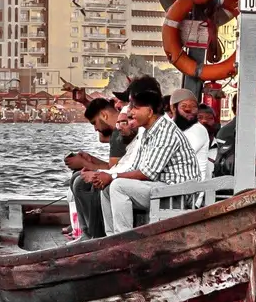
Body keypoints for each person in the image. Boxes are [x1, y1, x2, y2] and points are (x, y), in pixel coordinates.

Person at [84, 82, 201, 236]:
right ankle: (111, 239)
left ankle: (123, 240)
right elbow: (135, 165)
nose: (130, 112)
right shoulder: (146, 131)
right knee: (106, 188)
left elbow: (147, 173)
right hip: (162, 188)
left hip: (178, 194)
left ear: (150, 111)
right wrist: (101, 175)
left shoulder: (166, 131)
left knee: (118, 186)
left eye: (136, 108)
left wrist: (111, 176)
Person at [64, 97, 122, 240]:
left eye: (94, 123)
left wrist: (86, 165)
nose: (95, 129)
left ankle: (95, 235)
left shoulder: (119, 133)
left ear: (104, 116)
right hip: (119, 172)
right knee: (77, 177)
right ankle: (85, 232)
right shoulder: (115, 133)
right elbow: (114, 166)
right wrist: (90, 161)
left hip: (121, 177)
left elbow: (115, 169)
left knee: (81, 183)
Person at [171, 88, 212, 181]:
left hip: (193, 189)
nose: (189, 110)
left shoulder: (198, 129)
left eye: (193, 107)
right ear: (173, 108)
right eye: (184, 106)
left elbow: (177, 158)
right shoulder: (170, 127)